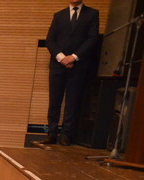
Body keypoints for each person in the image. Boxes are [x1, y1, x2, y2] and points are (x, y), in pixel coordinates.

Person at [42, 1, 100, 145]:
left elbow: (92, 39)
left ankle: (66, 135)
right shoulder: (59, 16)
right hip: (58, 65)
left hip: (78, 65)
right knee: (54, 100)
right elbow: (50, 40)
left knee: (73, 101)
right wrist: (62, 58)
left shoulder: (92, 14)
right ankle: (52, 133)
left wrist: (74, 57)